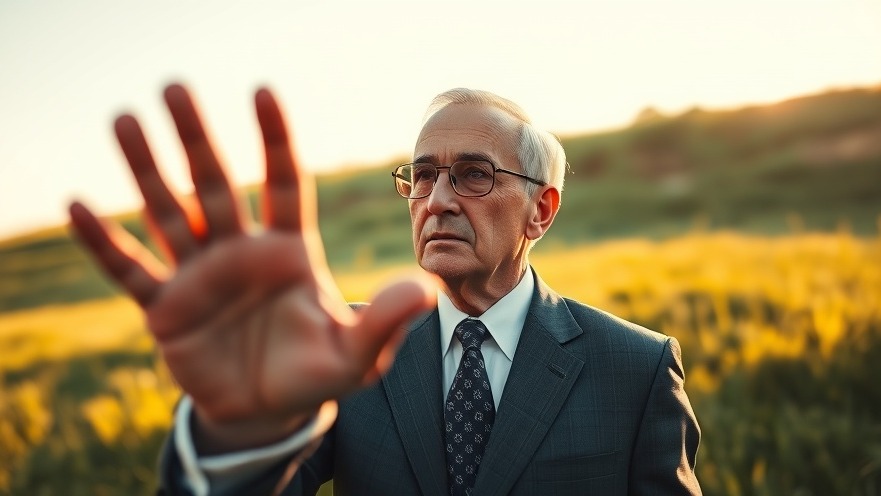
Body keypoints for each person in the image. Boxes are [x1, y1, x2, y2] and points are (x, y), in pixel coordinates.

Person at [69, 84, 701, 495]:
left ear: (542, 210)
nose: (439, 201)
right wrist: (239, 431)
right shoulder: (340, 353)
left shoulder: (636, 368)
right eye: (422, 178)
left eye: (473, 176)